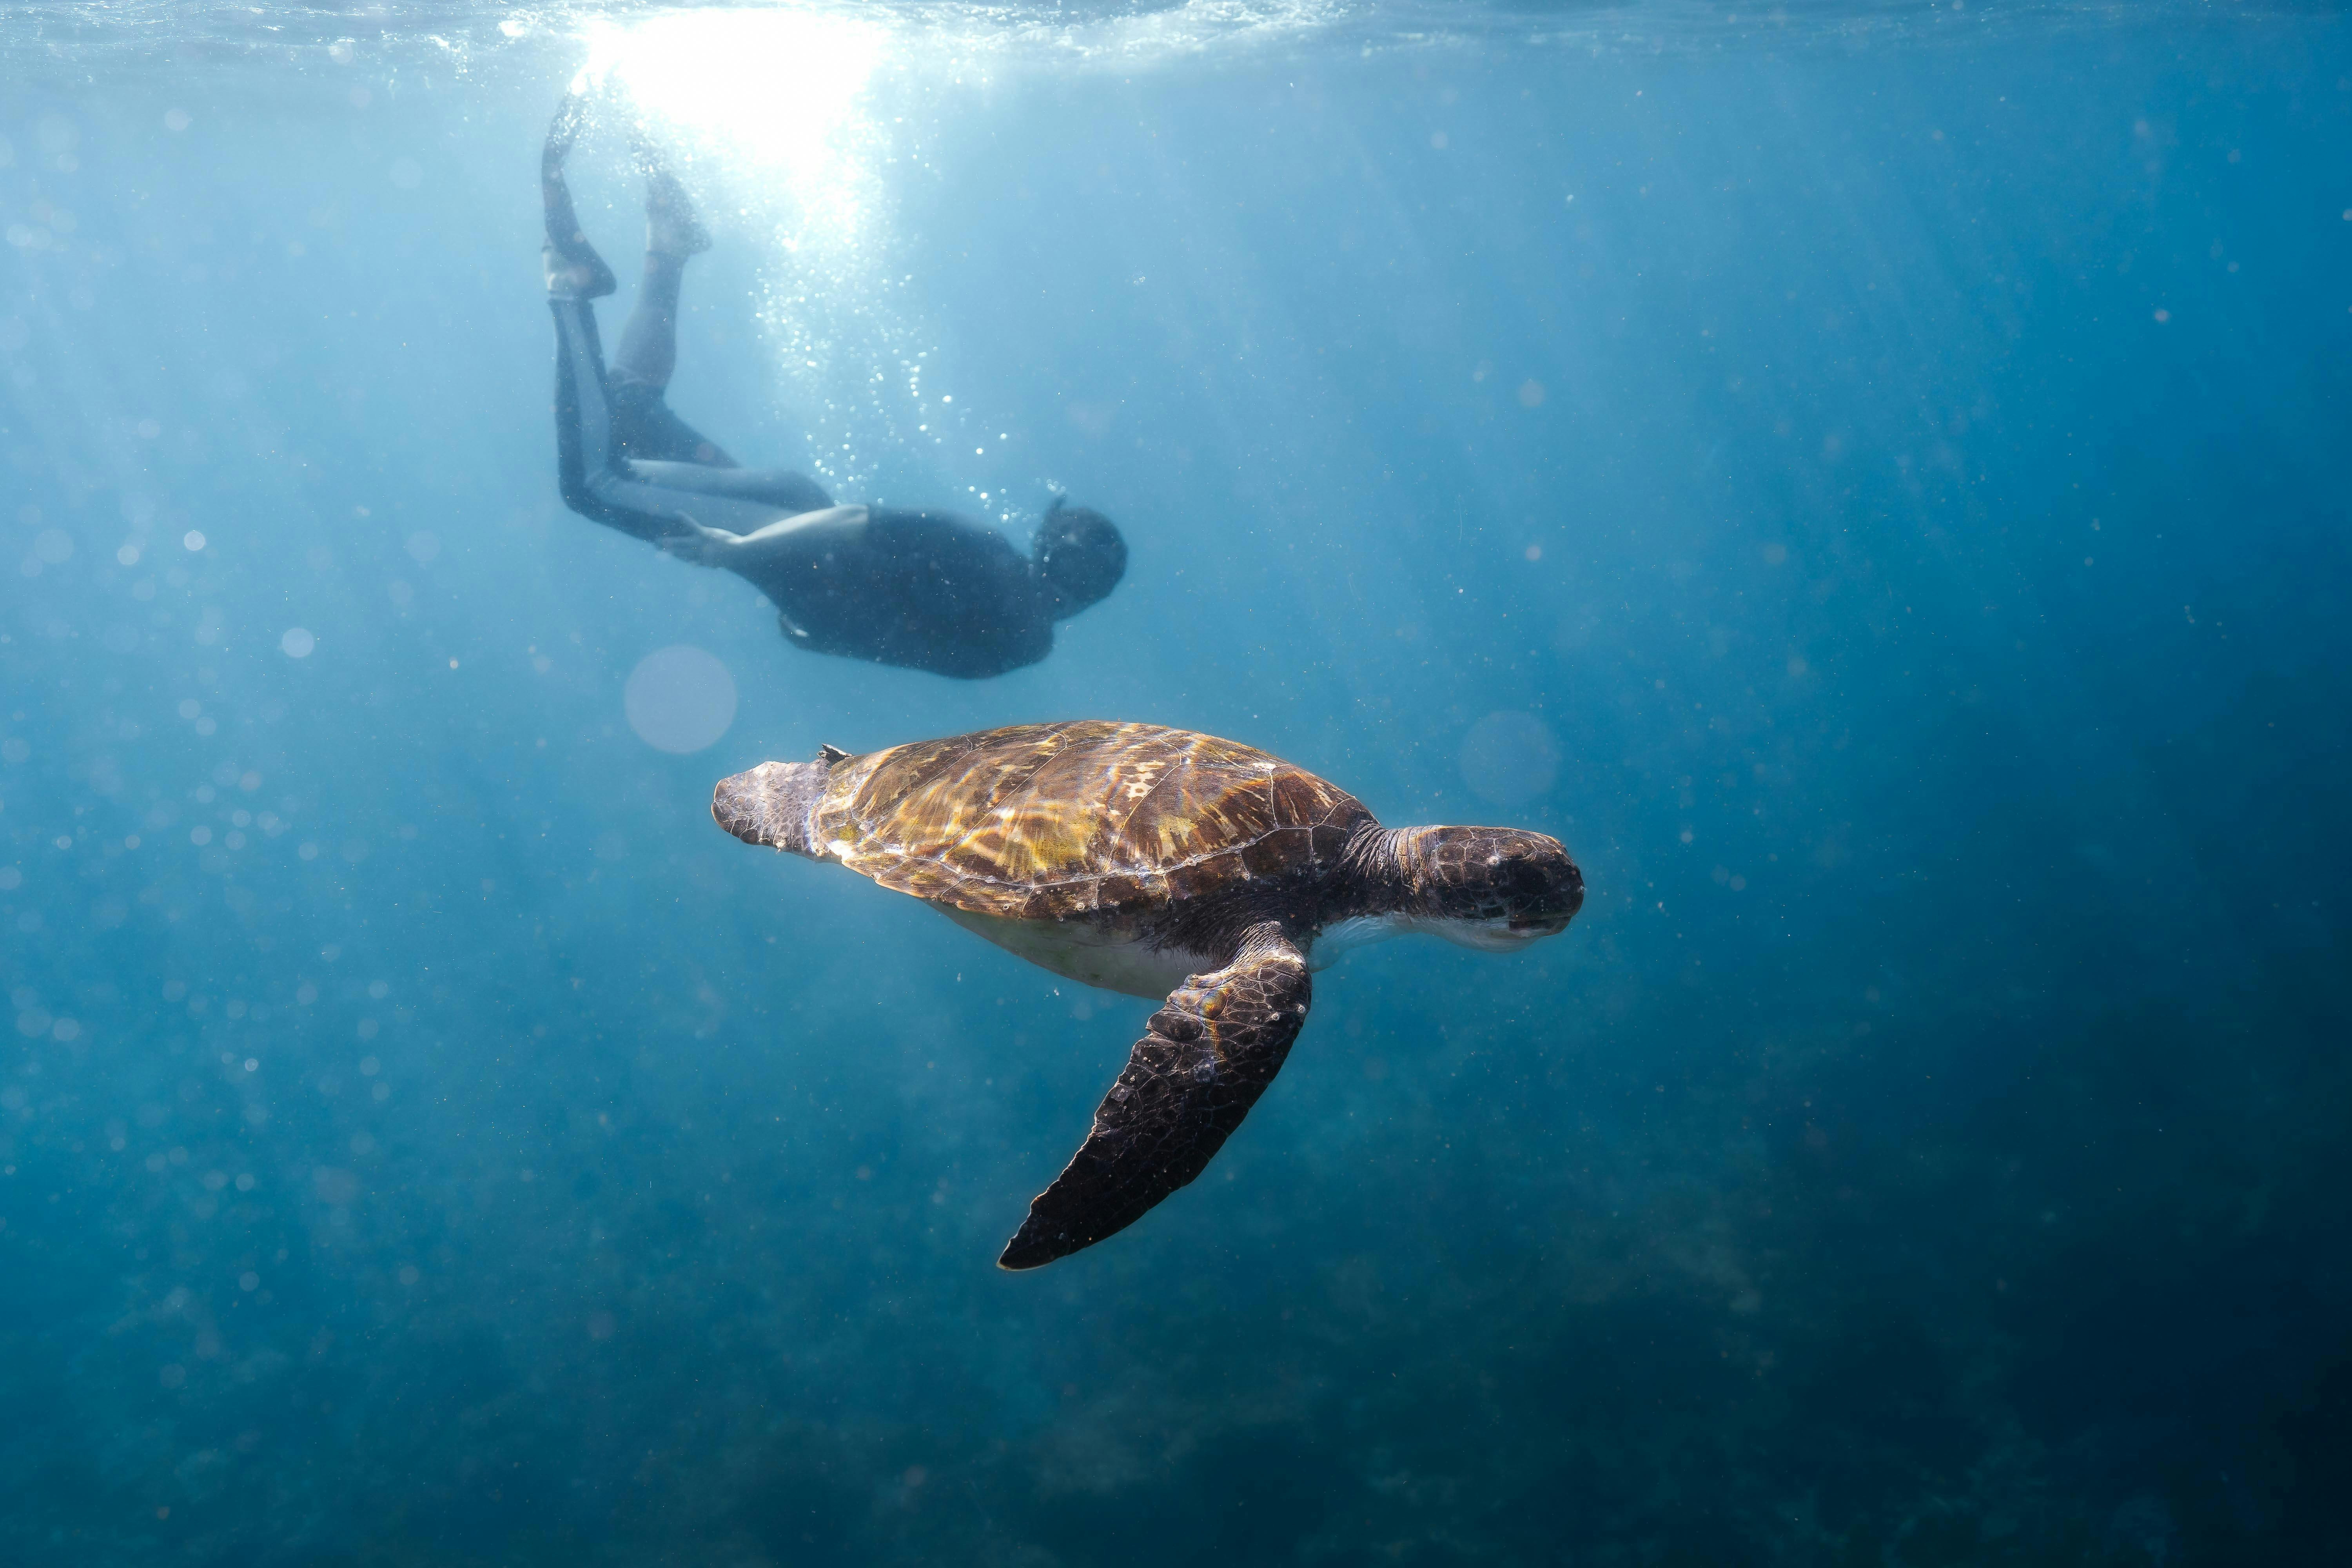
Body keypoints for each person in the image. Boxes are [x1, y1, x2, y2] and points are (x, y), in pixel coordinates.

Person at [540, 93, 1127, 681]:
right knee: (596, 483)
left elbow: (873, 618)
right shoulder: (1012, 629)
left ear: (1047, 545)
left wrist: (796, 615)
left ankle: (670, 245)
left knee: (627, 411)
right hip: (785, 527)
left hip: (787, 532)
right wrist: (741, 553)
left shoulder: (1007, 610)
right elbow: (854, 526)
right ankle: (573, 286)